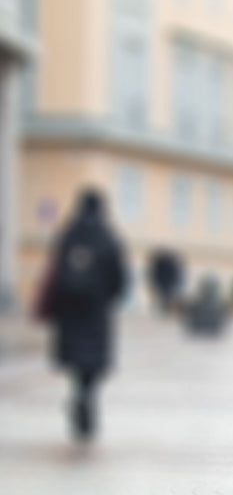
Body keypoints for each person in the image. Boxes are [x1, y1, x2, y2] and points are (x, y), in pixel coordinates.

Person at [39, 188, 128, 441]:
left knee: (76, 360)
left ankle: (79, 392)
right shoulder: (107, 236)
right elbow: (119, 279)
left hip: (69, 313)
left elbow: (54, 272)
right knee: (93, 363)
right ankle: (87, 396)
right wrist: (108, 299)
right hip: (96, 312)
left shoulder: (68, 234)